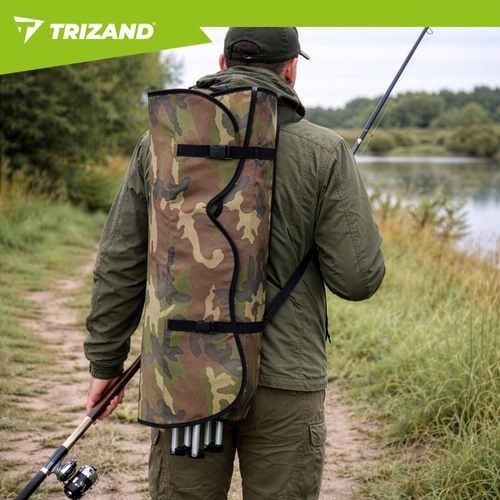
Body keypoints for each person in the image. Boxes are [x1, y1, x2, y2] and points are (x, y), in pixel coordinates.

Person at [84, 27, 385, 500]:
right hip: (285, 382)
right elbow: (358, 279)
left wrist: (106, 363)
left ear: (222, 64)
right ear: (291, 70)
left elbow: (120, 261)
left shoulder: (161, 144)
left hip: (186, 372)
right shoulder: (325, 151)